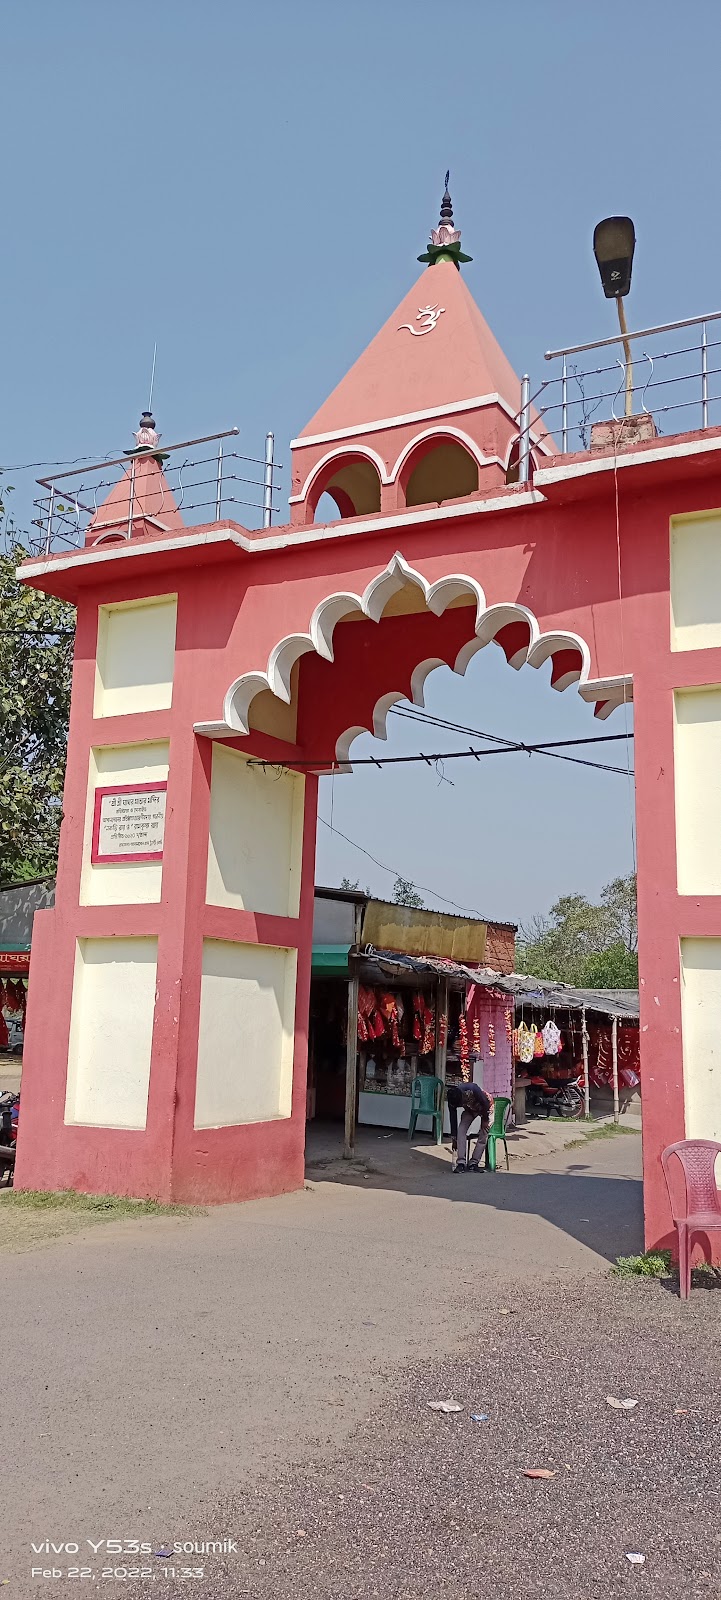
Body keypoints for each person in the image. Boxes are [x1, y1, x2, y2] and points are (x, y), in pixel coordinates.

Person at [446, 1081, 492, 1173]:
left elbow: (485, 1103)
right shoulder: (452, 1099)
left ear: (463, 1096)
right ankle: (461, 1163)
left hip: (486, 1107)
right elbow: (453, 1118)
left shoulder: (472, 1088)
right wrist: (454, 1137)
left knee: (484, 1131)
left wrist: (485, 1119)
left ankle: (474, 1163)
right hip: (471, 1109)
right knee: (461, 1130)